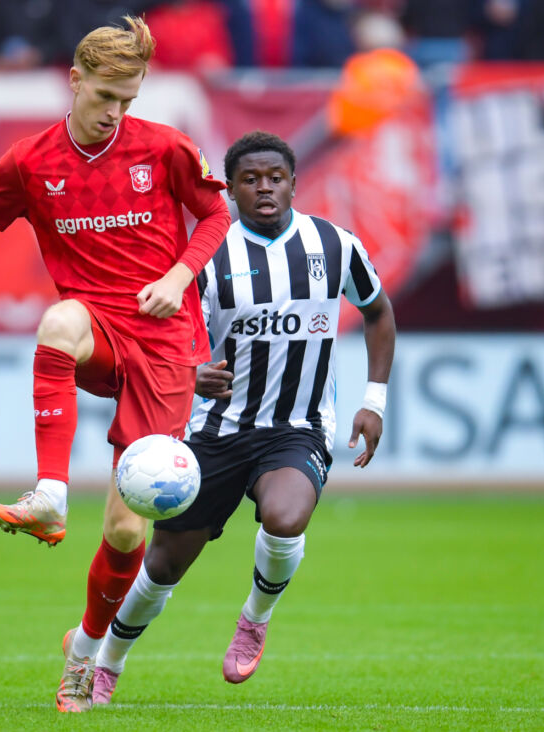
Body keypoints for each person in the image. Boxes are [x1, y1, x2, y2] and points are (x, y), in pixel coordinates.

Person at [0, 16, 230, 712]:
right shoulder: (31, 162)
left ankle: (85, 650)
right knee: (59, 320)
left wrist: (179, 276)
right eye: (105, 96)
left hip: (166, 345)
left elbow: (216, 216)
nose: (115, 112)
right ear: (74, 80)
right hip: (99, 330)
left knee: (127, 530)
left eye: (128, 100)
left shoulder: (164, 148)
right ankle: (50, 494)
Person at [84, 131, 396, 706]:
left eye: (275, 178)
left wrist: (373, 401)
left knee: (285, 516)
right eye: (250, 180)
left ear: (294, 182)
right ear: (229, 189)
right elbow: (166, 344)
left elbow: (378, 312)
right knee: (164, 565)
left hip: (298, 427)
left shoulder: (334, 245)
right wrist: (191, 374)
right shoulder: (205, 258)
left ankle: (255, 618)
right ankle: (107, 663)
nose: (265, 188)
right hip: (215, 432)